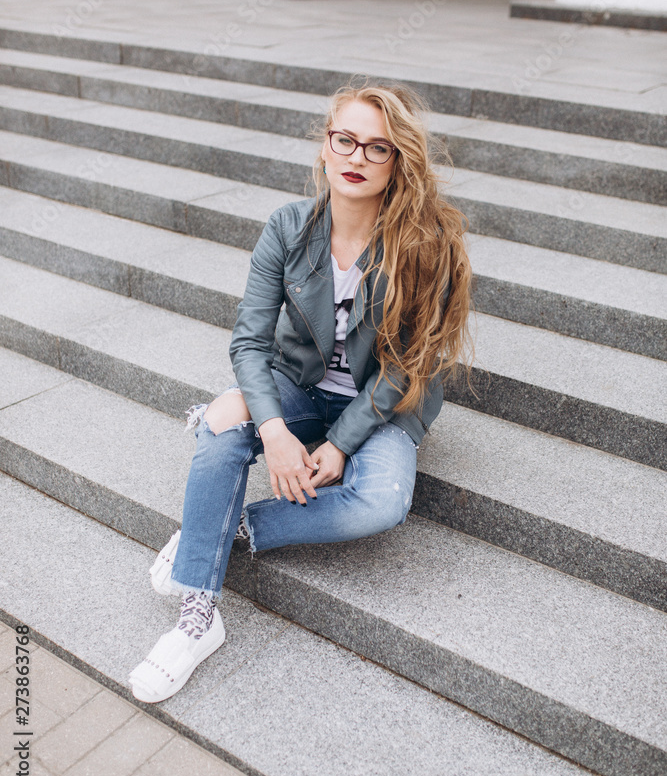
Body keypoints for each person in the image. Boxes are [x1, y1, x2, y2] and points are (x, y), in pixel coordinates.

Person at [129, 79, 473, 703]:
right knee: (224, 427)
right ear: (325, 146)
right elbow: (248, 344)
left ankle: (222, 528)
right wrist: (274, 430)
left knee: (380, 503)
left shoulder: (428, 243)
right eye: (346, 140)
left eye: (377, 147)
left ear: (398, 161)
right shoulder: (289, 227)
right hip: (301, 386)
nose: (356, 158)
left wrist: (339, 446)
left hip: (385, 402)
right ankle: (198, 615)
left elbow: (404, 366)